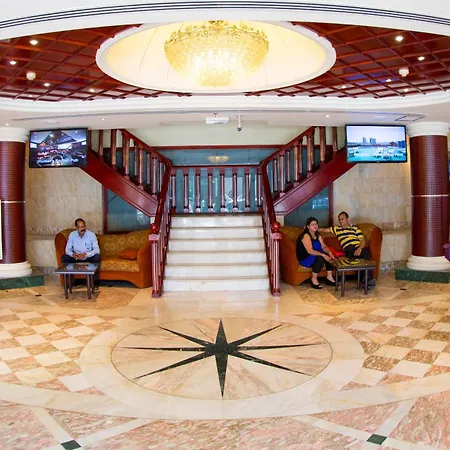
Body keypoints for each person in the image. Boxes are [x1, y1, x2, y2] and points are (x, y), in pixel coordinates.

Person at [321, 211, 375, 286]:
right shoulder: (336, 228)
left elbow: (362, 241)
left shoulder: (355, 229)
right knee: (360, 257)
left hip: (358, 247)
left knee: (364, 254)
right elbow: (324, 230)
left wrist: (359, 248)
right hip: (348, 249)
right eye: (339, 219)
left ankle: (366, 279)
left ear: (347, 219)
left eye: (342, 219)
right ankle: (367, 279)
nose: (340, 221)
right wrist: (313, 228)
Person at [296, 217, 336, 290]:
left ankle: (329, 277)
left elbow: (323, 246)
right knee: (321, 258)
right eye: (312, 224)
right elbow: (310, 251)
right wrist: (323, 255)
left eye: (316, 224)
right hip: (306, 257)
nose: (315, 226)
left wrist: (330, 253)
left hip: (316, 254)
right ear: (308, 226)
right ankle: (313, 279)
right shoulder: (305, 235)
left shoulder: (318, 235)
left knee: (328, 255)